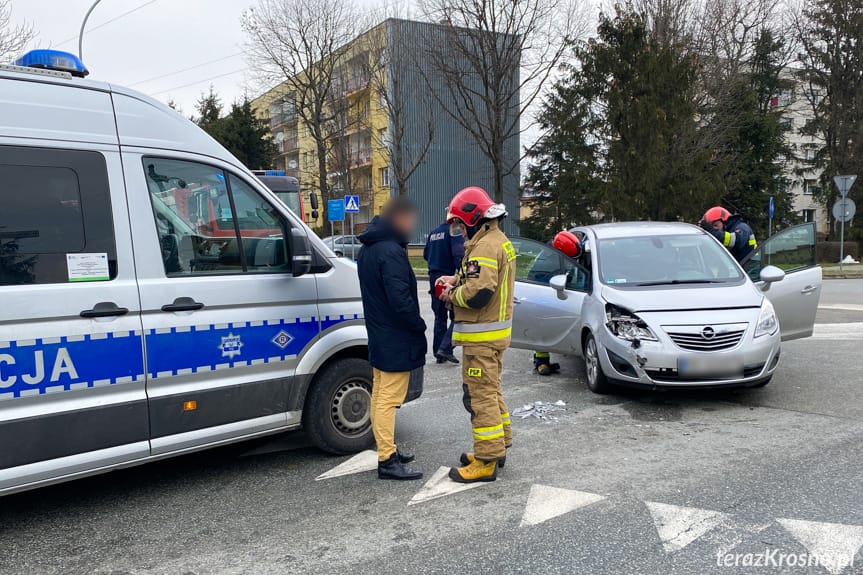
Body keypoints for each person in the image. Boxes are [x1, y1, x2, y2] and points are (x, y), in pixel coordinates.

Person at [436, 186, 515, 484]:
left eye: (459, 223)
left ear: (472, 219)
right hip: (491, 336)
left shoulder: (484, 246)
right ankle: (499, 446)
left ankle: (486, 461)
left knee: (479, 397)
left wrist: (450, 294)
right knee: (492, 392)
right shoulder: (495, 241)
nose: (458, 229)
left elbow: (480, 292)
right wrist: (455, 278)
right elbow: (476, 276)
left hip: (481, 339)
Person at [357, 197, 426, 481]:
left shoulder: (369, 249)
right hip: (395, 337)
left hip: (379, 333)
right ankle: (387, 459)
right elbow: (400, 300)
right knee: (388, 399)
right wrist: (418, 325)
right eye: (409, 220)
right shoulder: (391, 252)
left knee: (379, 394)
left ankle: (387, 449)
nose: (412, 225)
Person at [532, 231, 582, 376]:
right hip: (544, 294)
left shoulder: (555, 251)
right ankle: (541, 362)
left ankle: (542, 361)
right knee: (542, 327)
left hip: (550, 291)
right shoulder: (548, 262)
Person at [423, 219, 465, 364]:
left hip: (434, 277)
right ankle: (446, 348)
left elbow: (426, 254)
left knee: (439, 316)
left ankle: (438, 352)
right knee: (457, 314)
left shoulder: (434, 232)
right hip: (447, 278)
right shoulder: (454, 231)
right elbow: (458, 254)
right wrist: (460, 273)